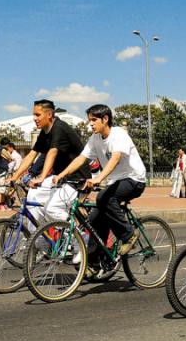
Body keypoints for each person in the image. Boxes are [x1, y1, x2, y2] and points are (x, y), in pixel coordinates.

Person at [54, 104, 148, 265]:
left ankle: (128, 235)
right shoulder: (95, 139)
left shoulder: (119, 134)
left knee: (104, 197)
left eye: (94, 120)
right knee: (95, 219)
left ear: (105, 119)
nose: (90, 123)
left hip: (134, 179)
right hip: (115, 182)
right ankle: (95, 262)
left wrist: (99, 179)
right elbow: (81, 159)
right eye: (89, 120)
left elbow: (115, 158)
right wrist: (62, 174)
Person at [8, 99, 91, 255]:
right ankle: (41, 244)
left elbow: (52, 153)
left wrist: (41, 177)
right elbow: (32, 155)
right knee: (33, 196)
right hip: (60, 179)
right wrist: (14, 177)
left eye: (37, 114)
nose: (35, 118)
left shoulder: (59, 128)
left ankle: (80, 241)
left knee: (52, 208)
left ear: (50, 114)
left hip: (77, 179)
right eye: (34, 114)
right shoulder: (45, 132)